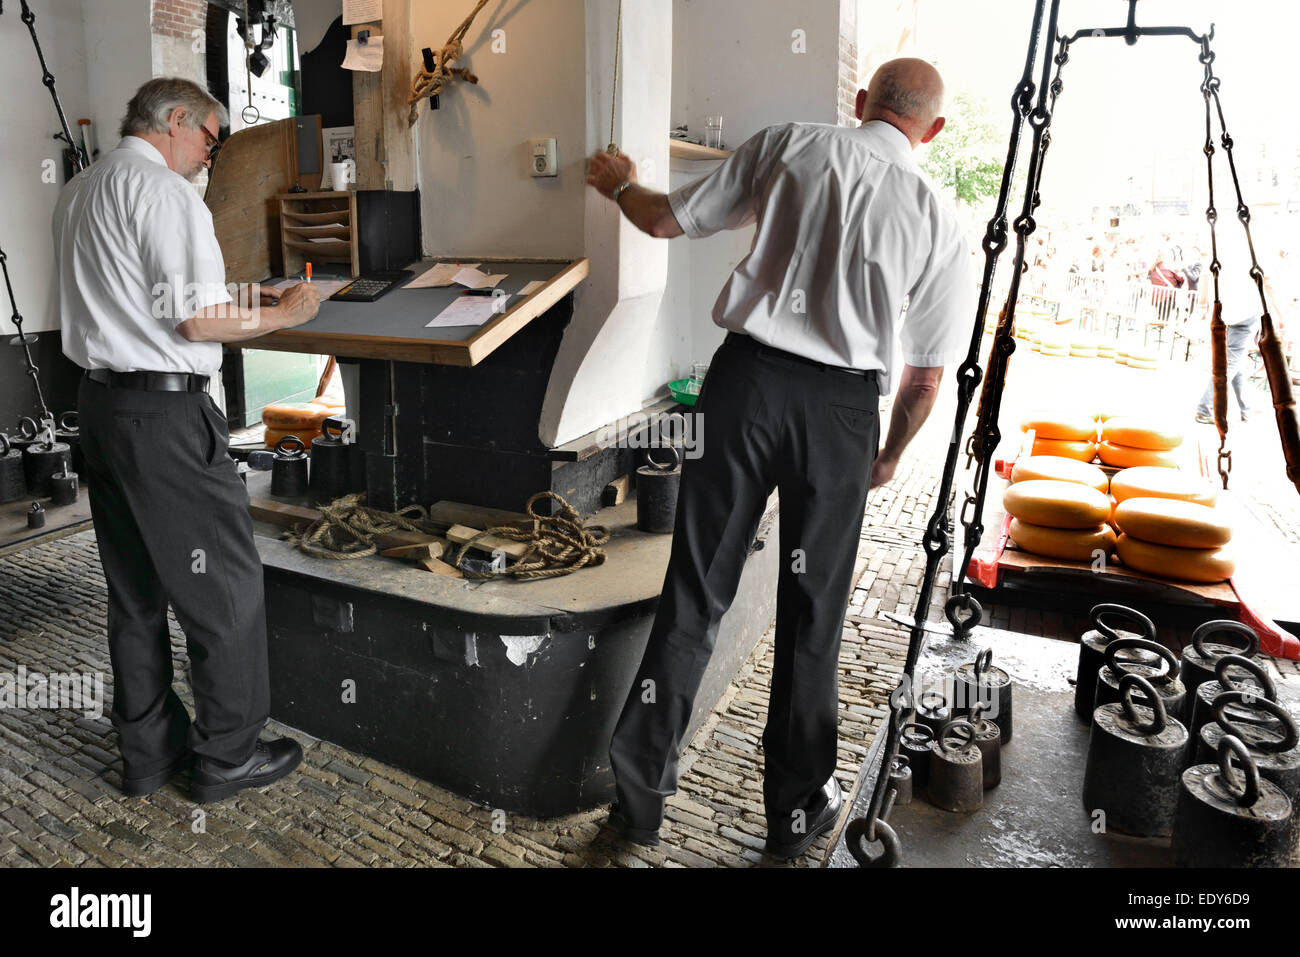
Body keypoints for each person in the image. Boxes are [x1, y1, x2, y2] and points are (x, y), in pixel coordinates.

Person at [586, 58, 971, 859]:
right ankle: (794, 816)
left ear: (860, 102)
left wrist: (619, 182)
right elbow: (926, 379)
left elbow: (663, 220)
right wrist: (890, 453)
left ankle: (638, 801)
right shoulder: (937, 218)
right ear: (931, 132)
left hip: (745, 388)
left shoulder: (791, 144)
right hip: (839, 415)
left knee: (695, 592)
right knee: (812, 618)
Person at [52, 78, 322, 801]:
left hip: (102, 408)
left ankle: (146, 755)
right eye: (211, 136)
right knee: (224, 584)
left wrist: (240, 298)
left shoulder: (82, 188)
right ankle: (229, 755)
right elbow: (194, 325)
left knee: (134, 591)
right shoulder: (168, 193)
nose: (212, 153)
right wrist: (283, 313)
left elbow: (148, 302)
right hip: (165, 421)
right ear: (177, 121)